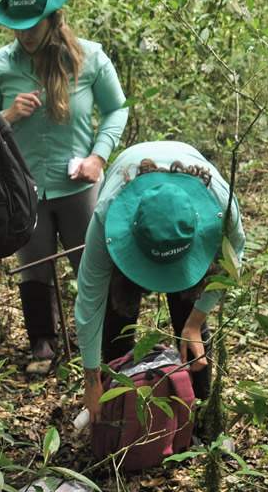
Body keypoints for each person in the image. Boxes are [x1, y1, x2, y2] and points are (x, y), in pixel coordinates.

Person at [0, 0, 128, 374]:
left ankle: (101, 347)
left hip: (78, 184)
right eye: (17, 25)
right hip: (24, 186)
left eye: (33, 25)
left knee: (92, 264)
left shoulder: (89, 58)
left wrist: (99, 156)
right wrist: (8, 115)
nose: (24, 34)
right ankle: (42, 346)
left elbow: (117, 108)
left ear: (52, 18)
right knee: (33, 265)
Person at [73, 141, 245, 423]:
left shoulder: (220, 204)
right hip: (134, 227)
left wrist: (195, 320)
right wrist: (91, 379)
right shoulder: (108, 214)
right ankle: (117, 402)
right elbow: (90, 298)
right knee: (118, 313)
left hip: (187, 228)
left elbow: (233, 260)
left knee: (189, 318)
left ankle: (200, 412)